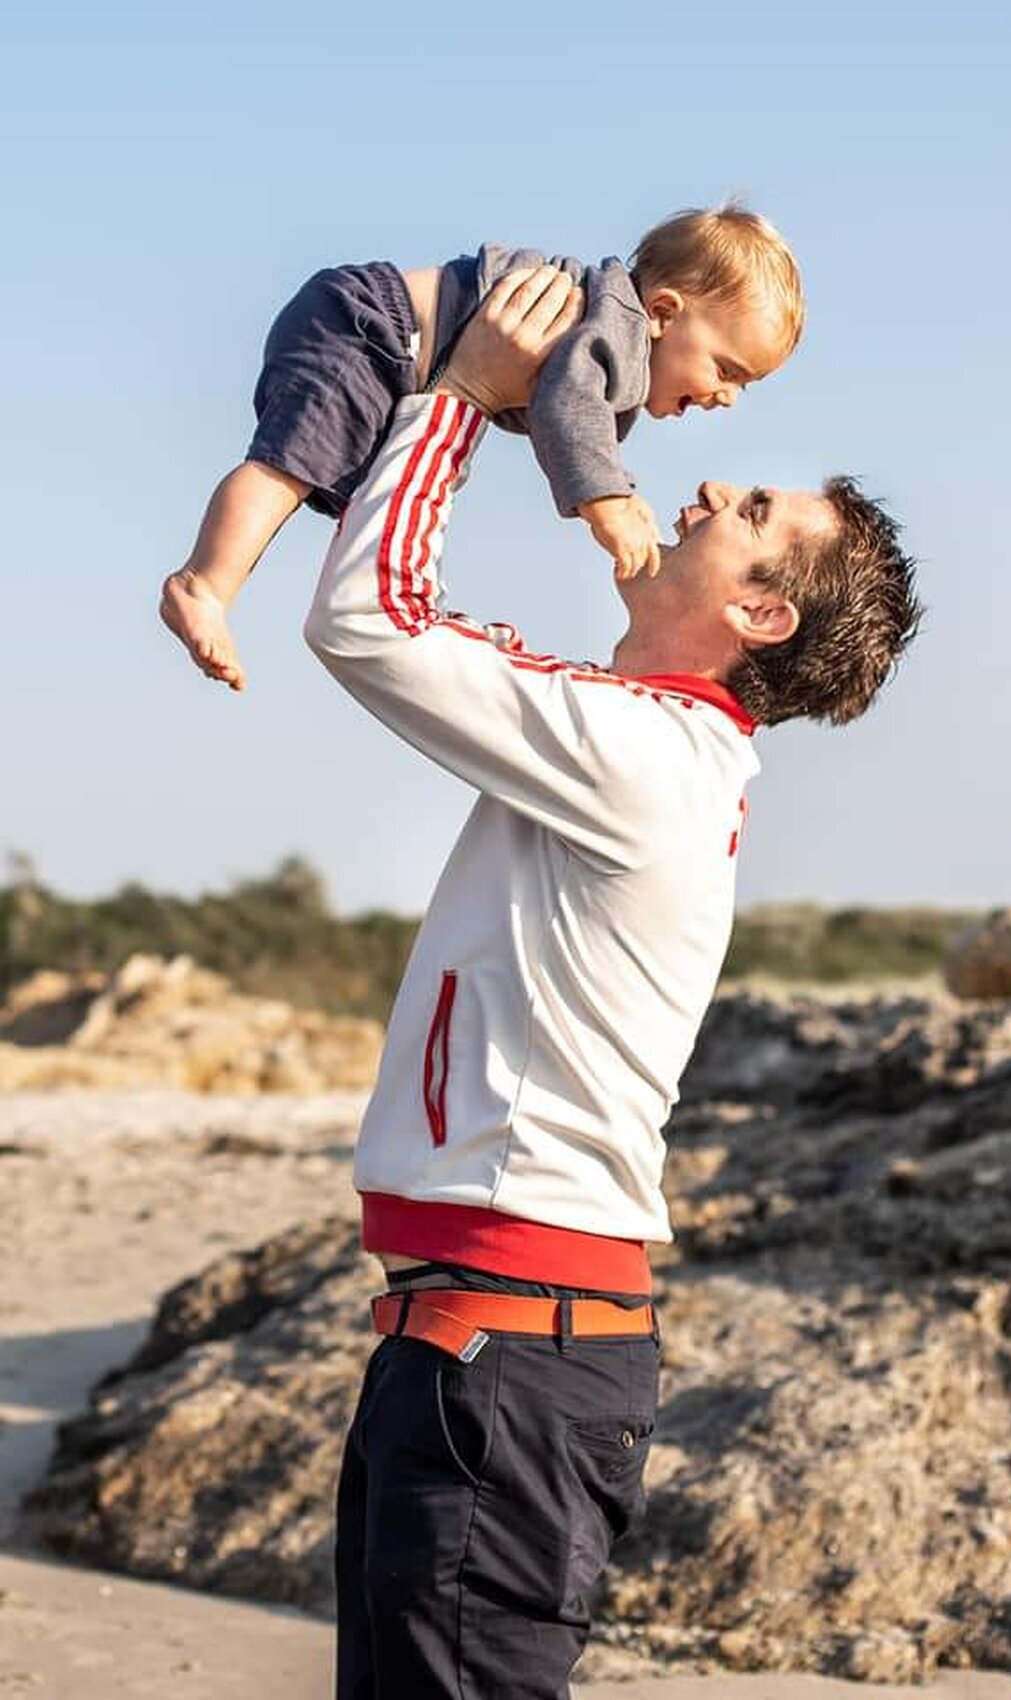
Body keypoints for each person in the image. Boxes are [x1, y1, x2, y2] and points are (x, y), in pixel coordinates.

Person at [303, 267, 922, 1700]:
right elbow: (413, 617)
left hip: (505, 1363)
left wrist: (460, 397)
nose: (704, 492)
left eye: (753, 514)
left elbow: (371, 624)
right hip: (485, 1351)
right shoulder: (638, 735)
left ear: (763, 617)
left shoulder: (642, 755)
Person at [161, 203, 805, 691]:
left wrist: (613, 487)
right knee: (285, 472)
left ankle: (214, 582)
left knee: (341, 490)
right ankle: (203, 584)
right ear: (664, 312)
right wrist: (608, 500)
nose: (727, 398)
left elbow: (571, 426)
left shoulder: (622, 362)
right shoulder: (619, 335)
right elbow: (566, 407)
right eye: (727, 370)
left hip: (381, 342)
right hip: (368, 329)